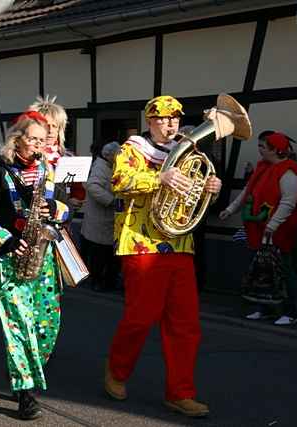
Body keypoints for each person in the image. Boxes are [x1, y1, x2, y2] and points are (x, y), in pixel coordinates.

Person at [104, 95, 222, 418]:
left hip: (180, 244)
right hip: (141, 243)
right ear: (150, 121)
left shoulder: (187, 151)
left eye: (175, 118)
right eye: (163, 119)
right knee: (140, 317)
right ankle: (116, 370)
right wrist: (159, 177)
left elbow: (193, 201)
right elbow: (119, 181)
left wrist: (209, 190)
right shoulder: (132, 149)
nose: (170, 124)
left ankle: (180, 393)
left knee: (185, 324)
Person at [0, 110, 70, 420]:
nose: (39, 146)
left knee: (46, 328)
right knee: (18, 328)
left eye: (43, 141)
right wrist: (7, 240)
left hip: (44, 262)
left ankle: (23, 370)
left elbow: (67, 212)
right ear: (16, 140)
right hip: (9, 261)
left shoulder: (50, 173)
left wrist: (54, 206)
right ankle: (26, 393)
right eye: (32, 140)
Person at [219, 131, 297, 325]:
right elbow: (248, 191)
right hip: (258, 229)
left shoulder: (289, 171)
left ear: (275, 150)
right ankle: (265, 308)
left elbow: (288, 203)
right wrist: (230, 209)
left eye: (262, 147)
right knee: (261, 271)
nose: (259, 150)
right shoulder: (262, 167)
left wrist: (273, 225)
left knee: (282, 270)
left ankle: (290, 312)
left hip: (279, 231)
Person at [28, 95, 85, 207]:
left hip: (61, 217)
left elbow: (77, 190)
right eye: (46, 125)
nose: (51, 131)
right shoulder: (27, 156)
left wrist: (75, 200)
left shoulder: (69, 158)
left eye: (55, 126)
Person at [79, 141, 121, 292]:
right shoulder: (101, 167)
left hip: (104, 219)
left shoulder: (106, 165)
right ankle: (98, 281)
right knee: (100, 254)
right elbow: (92, 186)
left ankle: (107, 280)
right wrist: (111, 201)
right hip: (100, 218)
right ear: (109, 156)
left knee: (106, 253)